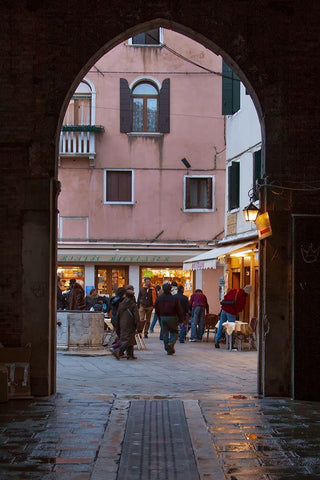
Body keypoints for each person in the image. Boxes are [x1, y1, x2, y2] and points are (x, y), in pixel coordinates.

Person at [112, 285, 140, 360]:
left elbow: (118, 315)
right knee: (128, 339)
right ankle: (119, 350)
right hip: (130, 323)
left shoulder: (121, 304)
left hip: (122, 323)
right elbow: (136, 316)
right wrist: (138, 326)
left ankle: (130, 355)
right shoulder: (133, 305)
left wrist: (117, 325)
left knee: (129, 338)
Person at [155, 282, 183, 355]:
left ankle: (167, 348)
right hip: (172, 317)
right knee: (175, 332)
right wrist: (181, 319)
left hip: (162, 317)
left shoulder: (159, 298)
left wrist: (159, 317)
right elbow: (179, 310)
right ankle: (171, 343)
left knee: (165, 333)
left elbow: (156, 309)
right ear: (170, 289)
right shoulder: (174, 298)